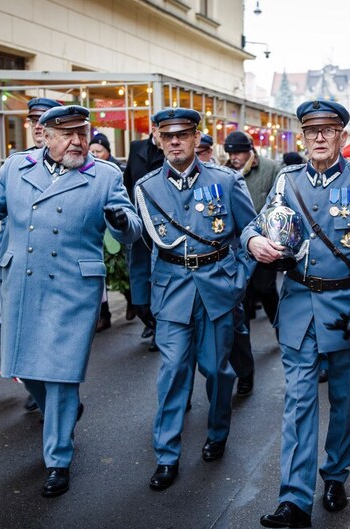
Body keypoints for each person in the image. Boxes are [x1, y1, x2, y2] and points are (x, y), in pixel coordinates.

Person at [0, 105, 142, 497]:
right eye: (68, 134)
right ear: (46, 135)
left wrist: (122, 223)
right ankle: (66, 411)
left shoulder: (104, 175)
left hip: (73, 286)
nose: (78, 142)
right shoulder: (16, 168)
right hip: (21, 282)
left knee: (60, 372)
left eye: (82, 133)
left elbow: (130, 227)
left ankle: (58, 460)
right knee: (24, 367)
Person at [243, 99, 350, 529]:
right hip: (297, 307)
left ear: (341, 136)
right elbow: (255, 225)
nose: (319, 138)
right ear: (302, 137)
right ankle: (293, 498)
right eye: (311, 131)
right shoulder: (287, 181)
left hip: (347, 308)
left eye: (328, 130)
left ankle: (335, 475)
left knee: (346, 401)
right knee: (298, 402)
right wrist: (254, 242)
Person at [131, 108, 257, 491]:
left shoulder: (226, 180)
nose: (174, 142)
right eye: (166, 136)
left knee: (217, 371)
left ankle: (217, 432)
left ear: (195, 137)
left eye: (182, 135)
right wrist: (140, 297)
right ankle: (167, 454)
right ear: (157, 139)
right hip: (171, 291)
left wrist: (240, 278)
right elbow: (139, 247)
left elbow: (251, 229)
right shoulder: (147, 187)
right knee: (172, 373)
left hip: (218, 288)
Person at [0, 97, 62, 413]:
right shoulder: (15, 165)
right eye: (33, 118)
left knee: (51, 340)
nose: (37, 124)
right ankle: (45, 394)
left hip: (57, 269)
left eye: (44, 119)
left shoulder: (72, 163)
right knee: (18, 340)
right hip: (18, 268)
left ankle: (57, 401)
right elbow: (5, 219)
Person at [223, 130, 282, 396]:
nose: (233, 158)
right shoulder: (223, 173)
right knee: (241, 310)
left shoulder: (271, 169)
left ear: (250, 151)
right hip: (237, 251)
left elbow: (279, 204)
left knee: (267, 291)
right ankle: (246, 373)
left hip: (266, 244)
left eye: (238, 152)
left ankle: (282, 330)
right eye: (230, 153)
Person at [125, 125, 166, 351]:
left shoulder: (171, 153)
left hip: (163, 225)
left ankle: (159, 328)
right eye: (163, 132)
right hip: (139, 223)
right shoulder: (136, 147)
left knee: (160, 278)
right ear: (153, 130)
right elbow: (128, 181)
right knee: (139, 275)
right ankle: (146, 315)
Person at [89, 133, 131, 332]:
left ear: (108, 151)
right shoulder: (86, 170)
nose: (95, 154)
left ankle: (133, 300)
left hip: (115, 229)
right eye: (92, 151)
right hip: (95, 231)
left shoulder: (117, 171)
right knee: (100, 274)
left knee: (120, 270)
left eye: (98, 151)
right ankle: (103, 315)